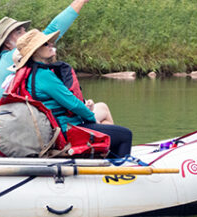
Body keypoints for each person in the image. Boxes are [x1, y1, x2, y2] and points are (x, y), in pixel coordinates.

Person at [9, 29, 132, 159]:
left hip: (57, 127)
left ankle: (104, 160)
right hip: (66, 130)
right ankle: (119, 174)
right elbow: (73, 104)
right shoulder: (43, 75)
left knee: (110, 129)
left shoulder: (31, 73)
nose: (51, 45)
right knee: (125, 135)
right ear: (35, 51)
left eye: (50, 42)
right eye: (46, 44)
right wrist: (92, 119)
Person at [0, 0, 100, 99]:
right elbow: (53, 29)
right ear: (7, 44)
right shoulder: (11, 58)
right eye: (19, 33)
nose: (26, 35)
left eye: (25, 30)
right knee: (101, 109)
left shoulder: (2, 63)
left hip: (13, 113)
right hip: (14, 114)